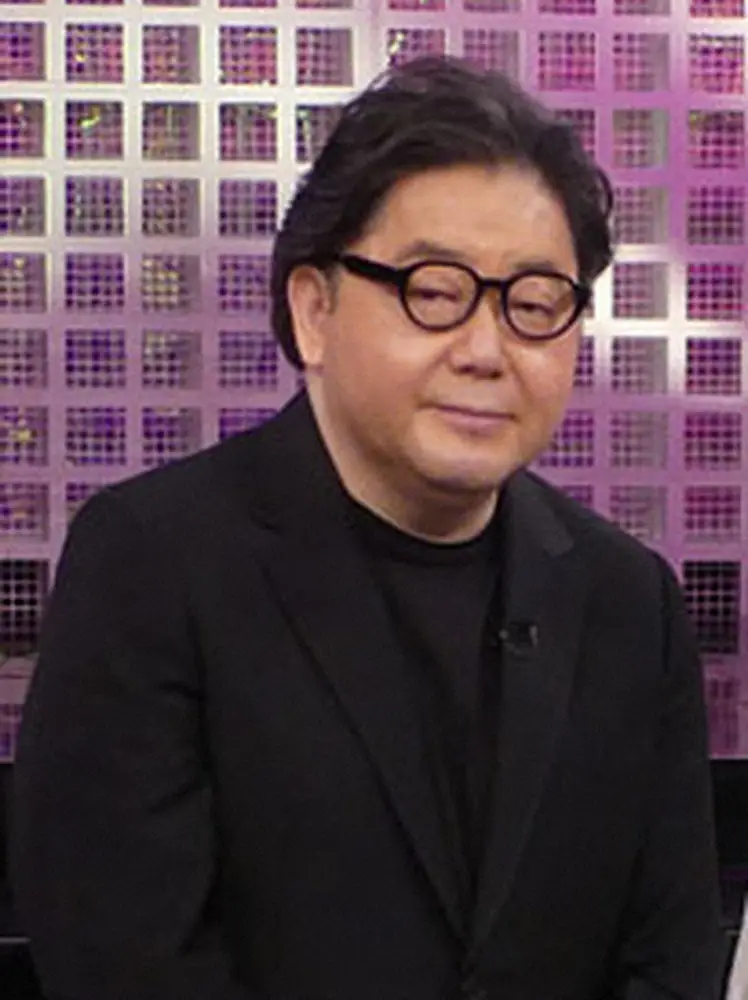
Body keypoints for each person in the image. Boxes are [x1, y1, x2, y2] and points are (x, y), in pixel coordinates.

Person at [11, 56, 722, 1000]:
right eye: (434, 291)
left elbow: (671, 957)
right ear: (314, 309)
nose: (486, 350)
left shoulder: (630, 603)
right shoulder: (154, 565)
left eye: (534, 304)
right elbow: (125, 960)